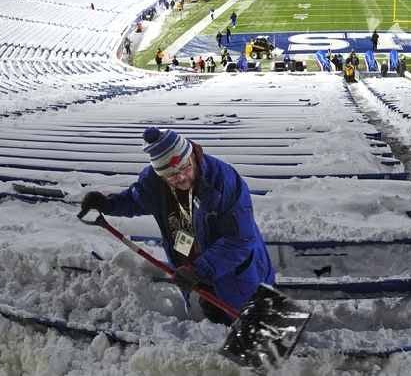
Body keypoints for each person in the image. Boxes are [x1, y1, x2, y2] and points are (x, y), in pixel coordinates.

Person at [79, 128, 275, 325]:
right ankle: (224, 334)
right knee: (217, 316)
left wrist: (199, 270)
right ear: (160, 175)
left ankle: (283, 348)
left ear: (192, 156)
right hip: (194, 262)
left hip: (233, 265)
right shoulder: (153, 183)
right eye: (171, 174)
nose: (181, 177)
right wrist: (108, 204)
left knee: (259, 319)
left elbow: (240, 240)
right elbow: (137, 200)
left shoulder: (223, 180)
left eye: (185, 167)